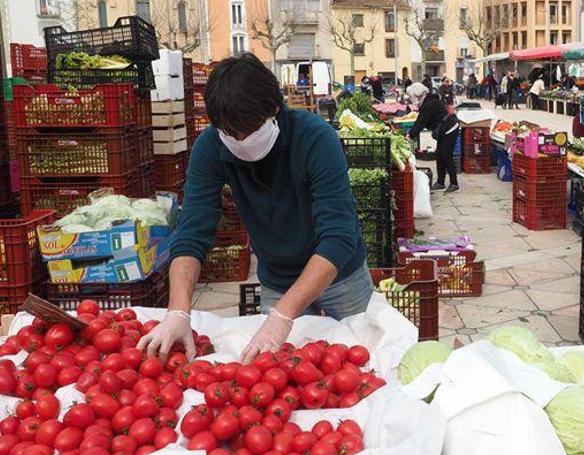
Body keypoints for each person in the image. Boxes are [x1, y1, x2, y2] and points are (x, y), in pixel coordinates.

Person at [136, 53, 371, 364]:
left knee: (363, 360)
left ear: (274, 108)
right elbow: (192, 231)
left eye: (247, 131)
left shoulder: (315, 138)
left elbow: (338, 235)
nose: (239, 141)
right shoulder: (211, 147)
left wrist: (283, 316)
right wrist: (178, 310)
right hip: (277, 279)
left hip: (341, 277)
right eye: (230, 133)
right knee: (275, 369)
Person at [406, 83, 460, 194]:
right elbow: (420, 121)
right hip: (443, 131)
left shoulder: (429, 104)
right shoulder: (428, 101)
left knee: (446, 155)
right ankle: (440, 183)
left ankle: (454, 184)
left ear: (418, 95)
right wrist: (411, 134)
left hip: (450, 129)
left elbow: (421, 122)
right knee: (439, 155)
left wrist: (410, 135)